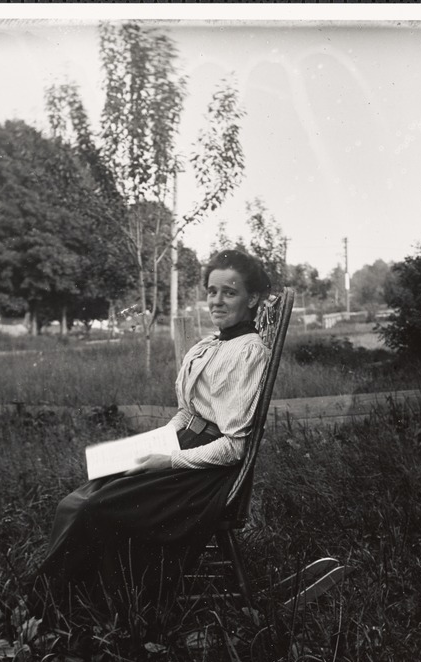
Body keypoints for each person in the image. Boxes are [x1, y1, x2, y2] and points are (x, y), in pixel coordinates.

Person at [29, 250, 272, 610]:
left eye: (229, 293)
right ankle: (59, 597)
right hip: (184, 445)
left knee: (95, 509)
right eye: (211, 291)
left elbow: (234, 447)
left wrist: (169, 459)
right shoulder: (212, 344)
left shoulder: (248, 352)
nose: (217, 301)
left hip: (207, 475)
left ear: (252, 299)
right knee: (78, 498)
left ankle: (70, 605)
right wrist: (158, 440)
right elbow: (187, 413)